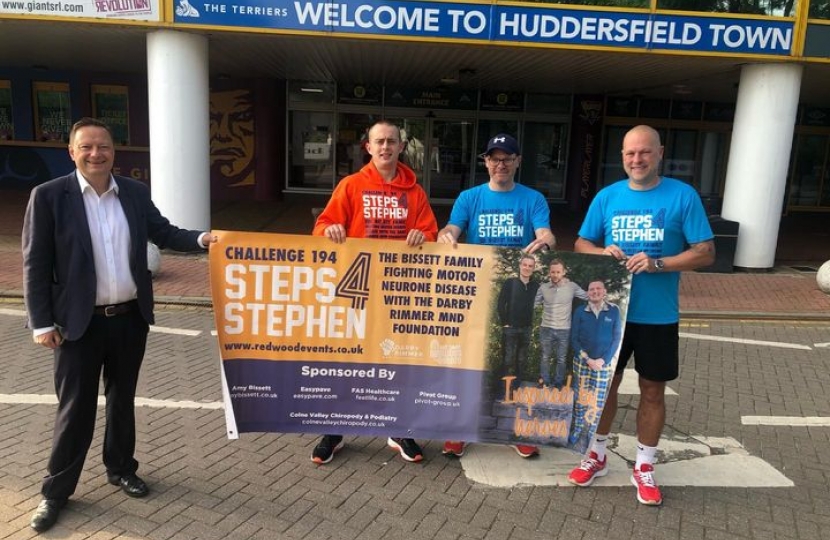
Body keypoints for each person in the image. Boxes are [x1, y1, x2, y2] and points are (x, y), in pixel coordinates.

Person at [22, 117, 215, 533]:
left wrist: (204, 240)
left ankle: (121, 468)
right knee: (75, 411)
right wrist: (41, 322)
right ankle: (55, 492)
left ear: (114, 151)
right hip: (77, 326)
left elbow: (163, 232)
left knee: (123, 400)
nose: (96, 154)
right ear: (71, 153)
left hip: (129, 320)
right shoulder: (49, 196)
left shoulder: (132, 192)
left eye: (104, 147)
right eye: (87, 147)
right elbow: (35, 265)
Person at [568, 125, 714, 506]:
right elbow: (581, 242)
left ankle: (645, 465)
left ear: (660, 153)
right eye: (631, 154)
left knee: (652, 390)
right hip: (611, 313)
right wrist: (601, 253)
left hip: (657, 316)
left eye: (645, 152)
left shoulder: (683, 196)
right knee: (605, 388)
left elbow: (705, 252)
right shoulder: (607, 196)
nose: (637, 160)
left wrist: (659, 262)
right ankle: (596, 454)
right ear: (622, 156)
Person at [311, 119, 438, 465]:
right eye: (379, 142)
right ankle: (334, 430)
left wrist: (422, 237)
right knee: (346, 360)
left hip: (397, 290)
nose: (385, 147)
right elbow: (321, 226)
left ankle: (398, 429)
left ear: (401, 147)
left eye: (391, 142)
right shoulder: (350, 186)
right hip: (355, 287)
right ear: (368, 147)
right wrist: (331, 228)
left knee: (396, 360)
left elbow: (430, 232)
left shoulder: (415, 192)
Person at [437, 132, 556, 459]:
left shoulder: (533, 199)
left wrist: (545, 240)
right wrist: (445, 236)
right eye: (494, 158)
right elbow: (451, 229)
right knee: (467, 365)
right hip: (474, 296)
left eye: (507, 158)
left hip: (515, 299)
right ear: (486, 162)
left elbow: (545, 233)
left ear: (517, 161)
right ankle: (459, 430)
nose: (500, 164)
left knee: (514, 368)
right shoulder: (469, 198)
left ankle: (516, 430)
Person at [568, 280, 622, 449]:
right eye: (591, 289)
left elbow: (616, 338)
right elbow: (574, 339)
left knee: (598, 401)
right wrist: (588, 359)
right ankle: (577, 429)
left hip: (602, 365)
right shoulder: (580, 312)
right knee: (581, 398)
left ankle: (591, 431)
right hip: (583, 363)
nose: (595, 292)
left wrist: (603, 360)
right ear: (587, 293)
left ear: (604, 291)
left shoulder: (613, 311)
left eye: (598, 289)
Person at [534, 259, 587, 388]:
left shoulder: (572, 286)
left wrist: (603, 297)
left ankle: (558, 383)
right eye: (553, 272)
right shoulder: (543, 288)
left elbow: (587, 296)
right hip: (546, 328)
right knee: (545, 357)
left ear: (564, 272)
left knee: (561, 358)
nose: (555, 275)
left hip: (564, 329)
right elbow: (533, 304)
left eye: (558, 272)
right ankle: (545, 382)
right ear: (549, 273)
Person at [496, 253, 540, 391]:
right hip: (511, 328)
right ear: (520, 266)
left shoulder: (536, 286)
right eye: (525, 265)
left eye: (530, 266)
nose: (527, 268)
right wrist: (505, 323)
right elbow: (501, 303)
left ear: (533, 269)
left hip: (526, 329)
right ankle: (504, 390)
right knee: (508, 359)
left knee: (521, 361)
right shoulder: (510, 283)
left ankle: (516, 388)